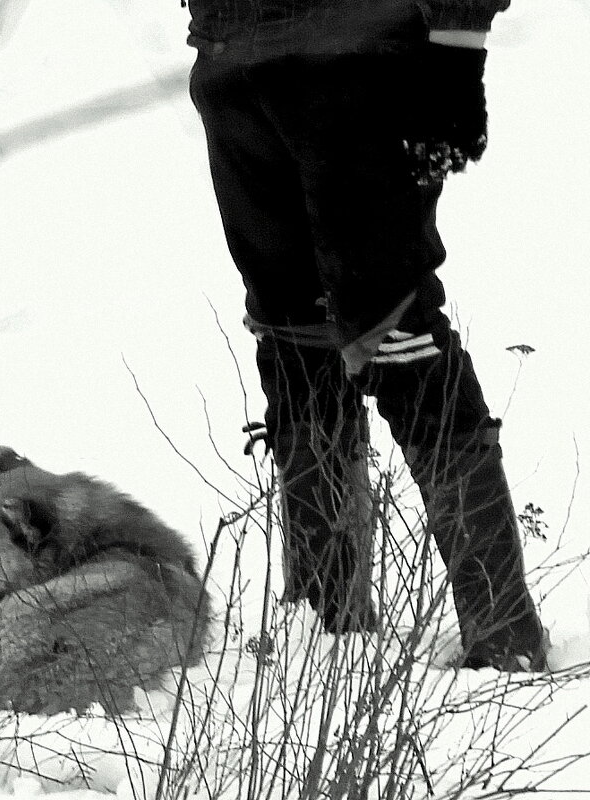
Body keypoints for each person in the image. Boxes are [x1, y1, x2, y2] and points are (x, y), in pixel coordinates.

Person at [181, 0, 547, 669]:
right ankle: (330, 642)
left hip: (359, 50)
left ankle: (505, 642)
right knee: (290, 334)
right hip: (228, 58)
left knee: (393, 328)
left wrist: (461, 46)